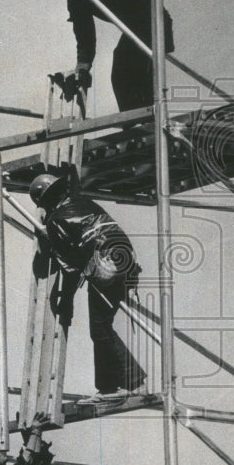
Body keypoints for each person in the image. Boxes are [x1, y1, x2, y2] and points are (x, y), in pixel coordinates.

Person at [29, 172, 146, 405]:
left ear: (44, 203)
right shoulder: (85, 202)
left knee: (100, 329)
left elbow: (70, 268)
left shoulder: (56, 222)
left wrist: (66, 302)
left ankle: (121, 385)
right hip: (126, 258)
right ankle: (121, 384)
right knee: (103, 326)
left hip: (104, 262)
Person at [29, 0, 175, 113]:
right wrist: (82, 68)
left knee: (128, 68)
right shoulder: (76, 0)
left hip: (151, 15)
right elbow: (85, 39)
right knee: (121, 73)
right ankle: (138, 126)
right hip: (136, 29)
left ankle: (150, 122)